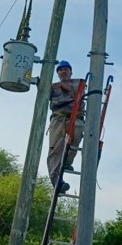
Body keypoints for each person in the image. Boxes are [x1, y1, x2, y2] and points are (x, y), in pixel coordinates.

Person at [46, 60, 85, 193]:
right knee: (55, 150)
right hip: (58, 119)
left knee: (77, 133)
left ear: (70, 72)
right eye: (60, 70)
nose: (63, 71)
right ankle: (57, 182)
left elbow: (78, 96)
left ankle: (68, 161)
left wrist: (65, 87)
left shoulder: (77, 84)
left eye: (66, 69)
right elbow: (45, 94)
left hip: (75, 118)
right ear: (58, 73)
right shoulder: (52, 86)